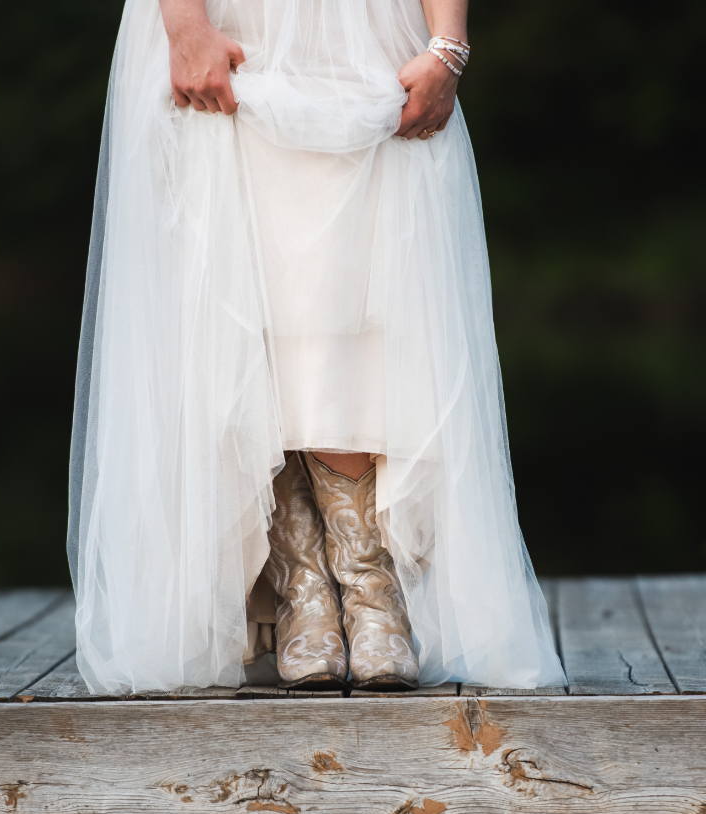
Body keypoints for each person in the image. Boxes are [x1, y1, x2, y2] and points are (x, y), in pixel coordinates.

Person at [68, 0, 567, 695]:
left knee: (358, 302)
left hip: (359, 29)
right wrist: (184, 28)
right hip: (234, 22)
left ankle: (368, 588)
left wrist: (448, 43)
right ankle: (302, 589)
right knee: (236, 309)